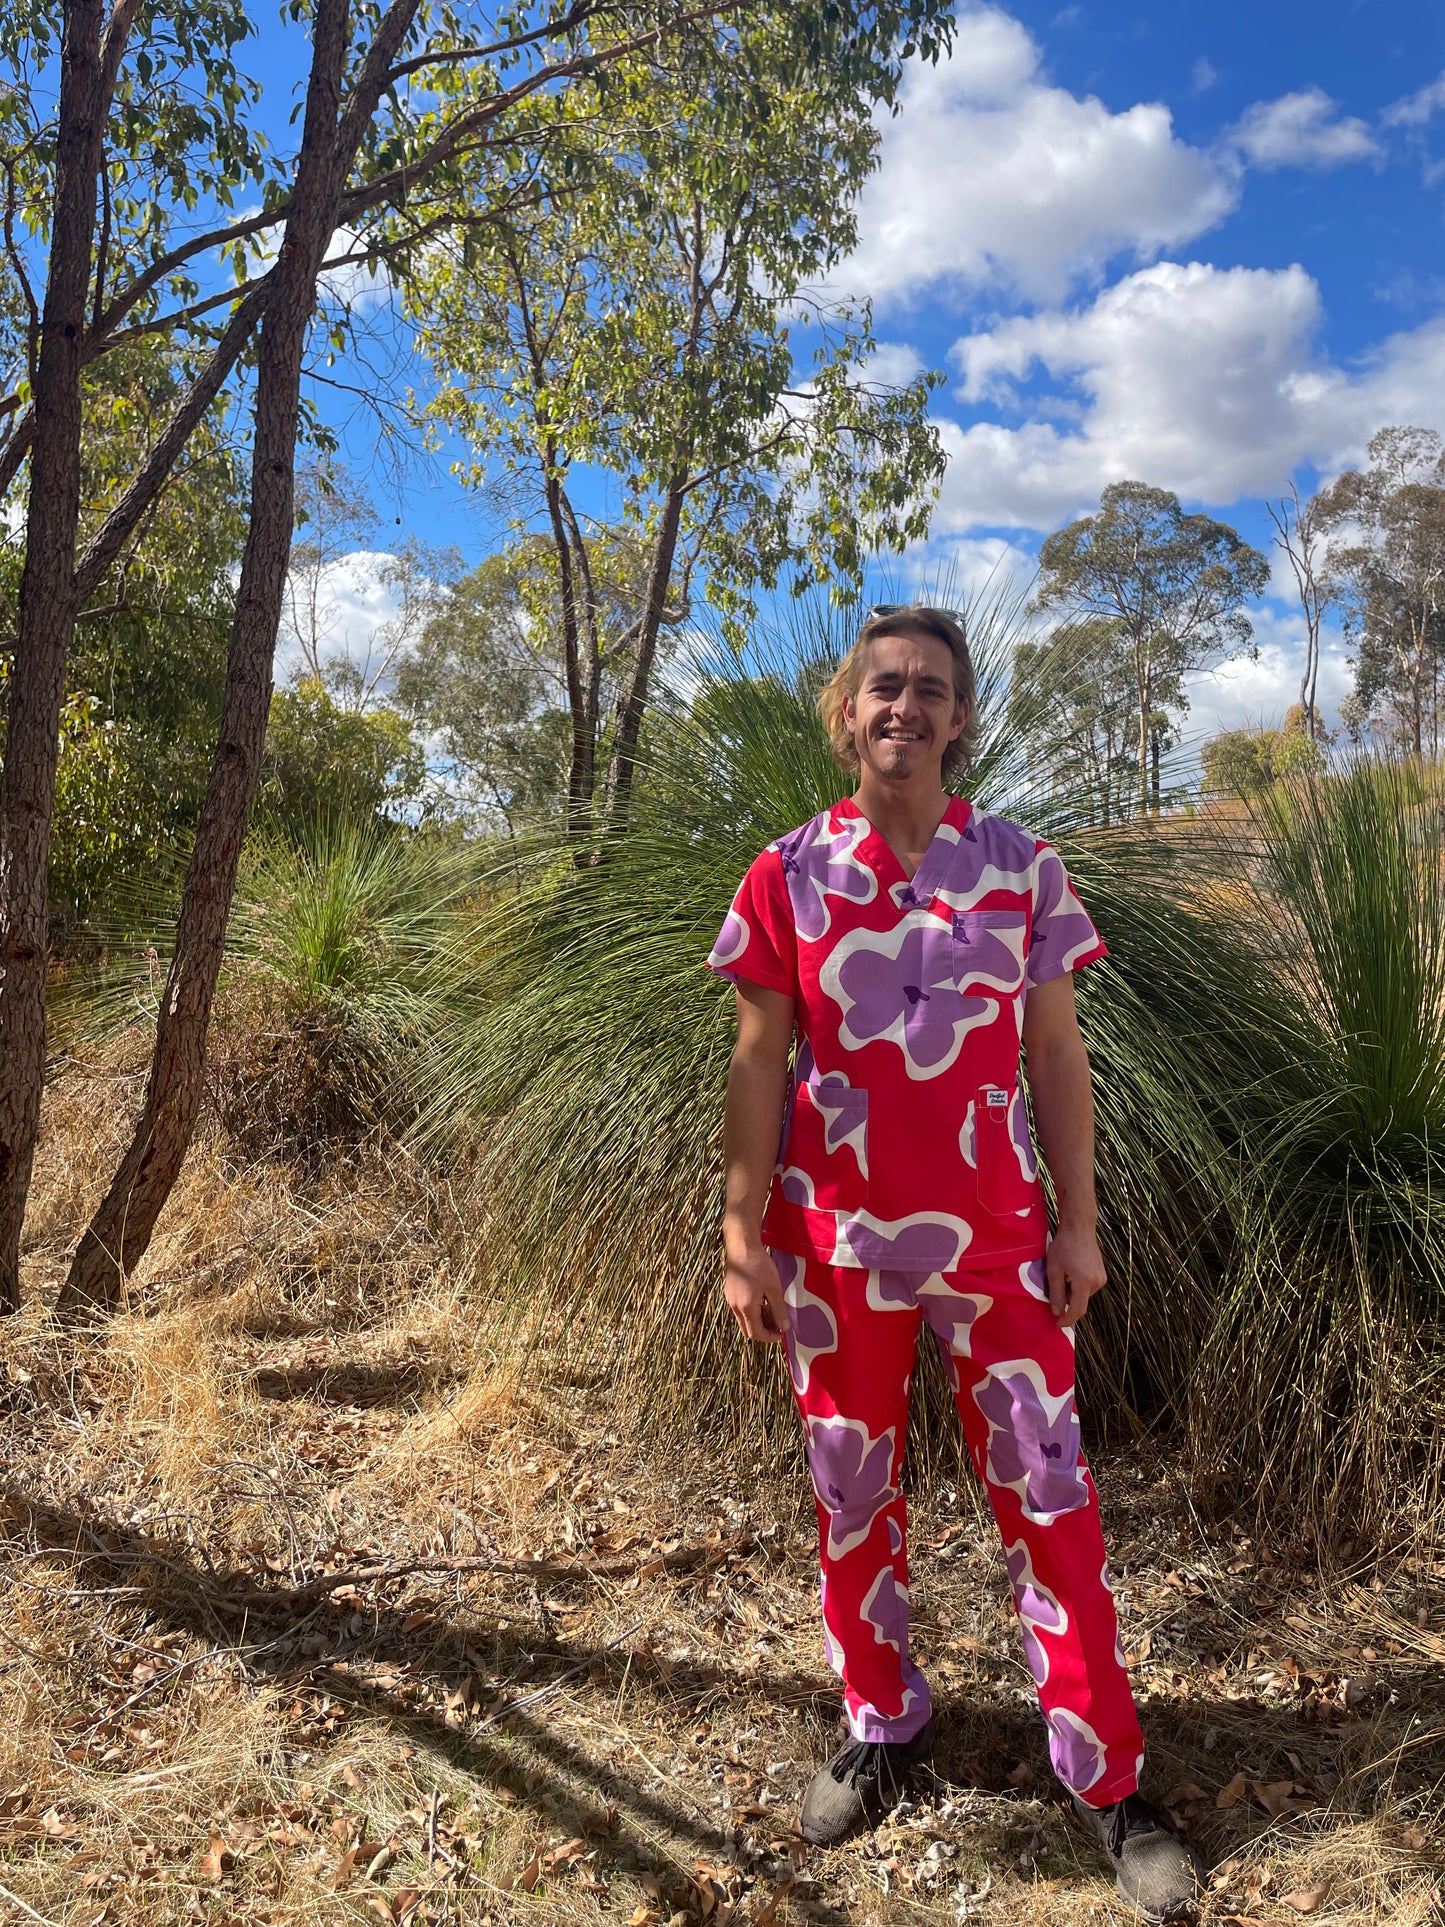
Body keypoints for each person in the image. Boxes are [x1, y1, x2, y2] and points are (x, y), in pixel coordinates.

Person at [707, 606, 1201, 1922]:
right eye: (884, 687)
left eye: (930, 689)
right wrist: (740, 1237)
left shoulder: (1019, 869)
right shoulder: (787, 876)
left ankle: (1104, 1778)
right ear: (846, 710)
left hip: (997, 1249)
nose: (905, 707)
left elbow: (1055, 1057)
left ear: (959, 717)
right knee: (850, 1496)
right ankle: (880, 1721)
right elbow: (759, 1061)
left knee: (1052, 1503)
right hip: (839, 1250)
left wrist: (1079, 1225)